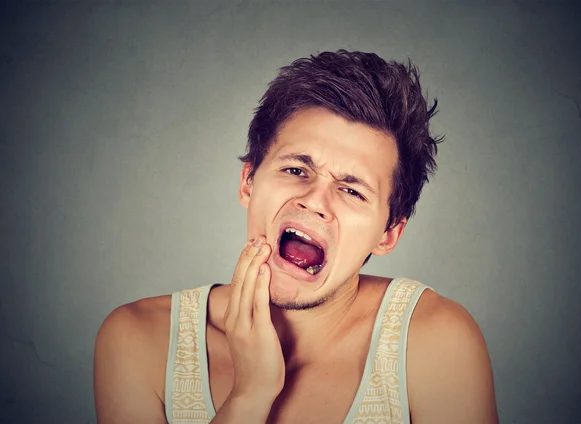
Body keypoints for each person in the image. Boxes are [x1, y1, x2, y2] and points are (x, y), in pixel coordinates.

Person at [93, 50, 499, 424]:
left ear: (388, 234)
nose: (314, 201)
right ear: (248, 183)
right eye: (295, 170)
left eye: (352, 190)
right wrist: (250, 395)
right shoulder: (139, 342)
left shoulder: (435, 343)